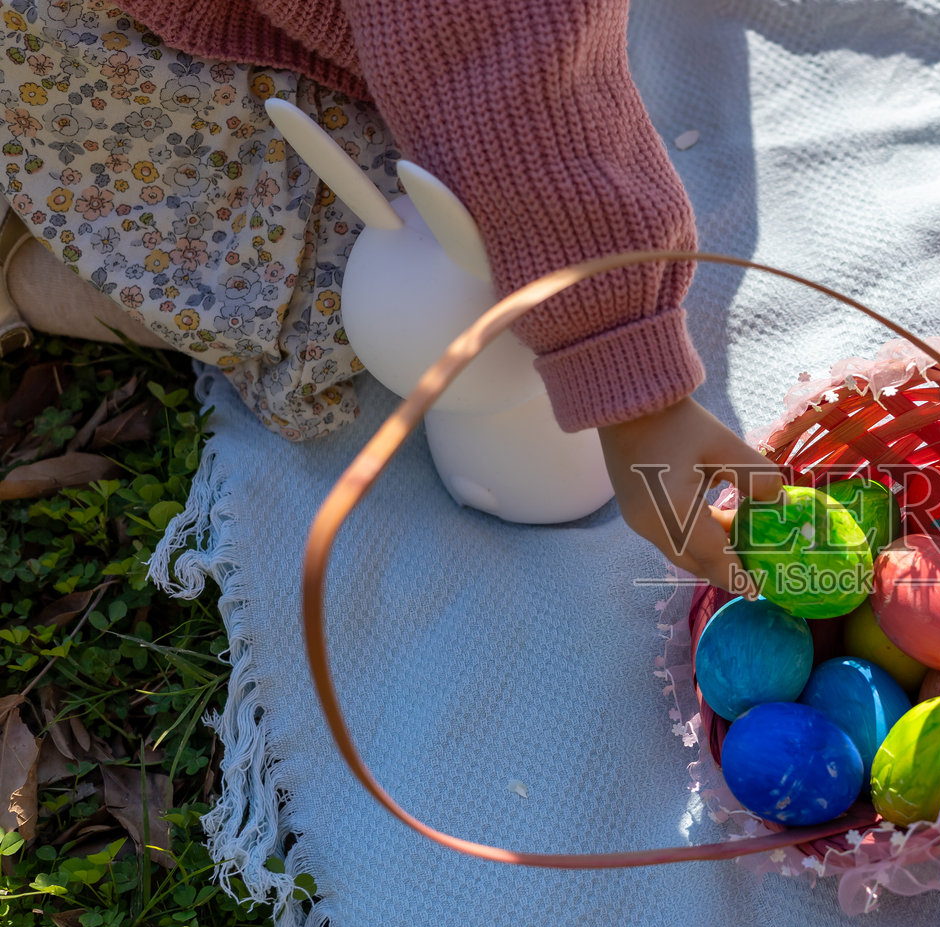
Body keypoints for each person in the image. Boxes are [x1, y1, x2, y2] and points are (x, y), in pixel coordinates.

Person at [0, 0, 779, 588]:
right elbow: (490, 51)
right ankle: (29, 269)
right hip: (102, 68)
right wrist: (626, 368)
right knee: (366, 275)